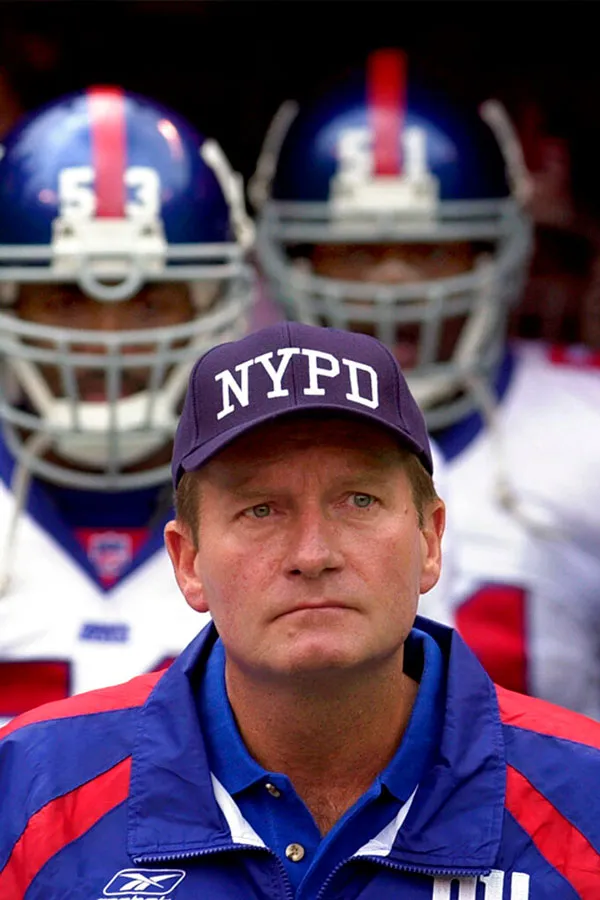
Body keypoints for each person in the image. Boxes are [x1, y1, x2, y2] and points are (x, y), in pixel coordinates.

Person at [2, 321, 600, 897]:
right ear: (188, 562)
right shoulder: (29, 792)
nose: (313, 555)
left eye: (358, 500)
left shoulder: (585, 796)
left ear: (430, 540)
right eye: (261, 509)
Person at [253, 48, 600, 718]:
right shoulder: (225, 438)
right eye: (356, 253)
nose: (395, 284)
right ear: (291, 258)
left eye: (432, 248)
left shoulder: (585, 431)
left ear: (500, 252)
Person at [0, 85, 254, 722]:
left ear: (207, 304)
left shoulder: (286, 510)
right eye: (64, 300)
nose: (106, 343)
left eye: (147, 302)